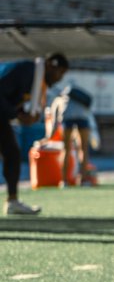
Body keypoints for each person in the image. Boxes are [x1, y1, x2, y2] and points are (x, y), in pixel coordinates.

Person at [0, 53, 69, 214]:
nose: (60, 78)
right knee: (12, 153)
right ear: (52, 65)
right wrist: (16, 113)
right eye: (61, 73)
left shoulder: (35, 77)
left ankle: (12, 200)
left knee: (12, 154)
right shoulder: (27, 71)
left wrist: (20, 112)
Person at [45, 83, 100, 186]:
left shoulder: (58, 100)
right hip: (83, 120)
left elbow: (55, 123)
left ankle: (64, 181)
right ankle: (83, 180)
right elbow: (89, 116)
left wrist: (48, 138)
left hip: (68, 121)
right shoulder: (79, 100)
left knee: (66, 150)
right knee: (83, 150)